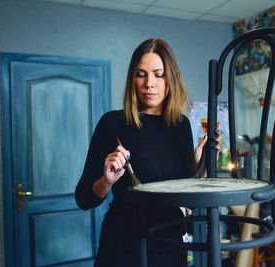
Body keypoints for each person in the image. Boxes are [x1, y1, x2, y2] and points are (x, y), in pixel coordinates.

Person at [75, 39, 213, 267]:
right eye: (141, 74)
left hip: (170, 246)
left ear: (171, 79)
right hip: (121, 247)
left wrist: (199, 171)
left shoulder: (181, 125)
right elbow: (83, 198)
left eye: (159, 74)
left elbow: (189, 198)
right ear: (133, 79)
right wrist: (106, 181)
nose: (150, 83)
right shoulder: (112, 123)